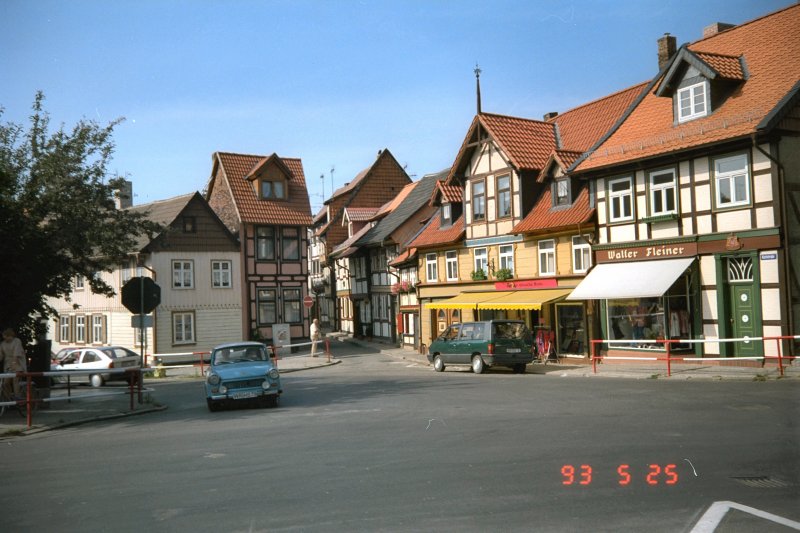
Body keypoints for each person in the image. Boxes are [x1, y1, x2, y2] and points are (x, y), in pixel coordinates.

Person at [1, 328, 27, 398]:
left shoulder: (17, 341)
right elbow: (1, 355)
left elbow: (16, 353)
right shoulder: (3, 344)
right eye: (4, 337)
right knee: (5, 383)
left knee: (15, 380)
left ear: (10, 336)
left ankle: (17, 396)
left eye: (6, 336)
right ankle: (8, 397)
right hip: (8, 365)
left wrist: (14, 363)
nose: (5, 338)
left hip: (17, 364)